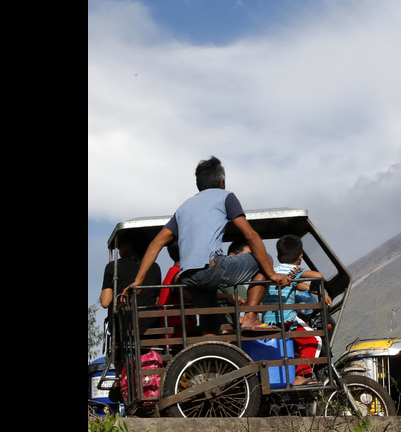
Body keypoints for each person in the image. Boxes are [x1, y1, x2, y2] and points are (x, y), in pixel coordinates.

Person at [124, 156, 291, 336]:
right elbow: (250, 235)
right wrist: (272, 273)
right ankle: (250, 316)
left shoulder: (183, 207)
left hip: (188, 276)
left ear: (199, 185)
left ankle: (209, 357)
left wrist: (138, 280)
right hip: (212, 268)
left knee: (210, 327)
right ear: (222, 182)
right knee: (265, 258)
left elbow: (156, 242)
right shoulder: (226, 196)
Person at [261, 234, 331, 385]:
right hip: (286, 319)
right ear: (300, 256)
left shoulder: (274, 271)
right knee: (315, 340)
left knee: (297, 341)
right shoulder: (294, 269)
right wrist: (317, 288)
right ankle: (301, 376)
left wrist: (316, 292)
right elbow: (318, 275)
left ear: (279, 255)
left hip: (268, 320)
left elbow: (296, 284)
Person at [101, 230, 162, 338]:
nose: (119, 249)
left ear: (129, 245)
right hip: (153, 326)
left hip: (125, 328)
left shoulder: (112, 267)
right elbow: (157, 295)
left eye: (121, 245)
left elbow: (105, 302)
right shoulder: (155, 267)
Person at [157, 242, 197, 339]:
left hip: (173, 330)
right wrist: (224, 296)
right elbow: (191, 298)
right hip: (178, 333)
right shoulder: (178, 275)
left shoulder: (172, 271)